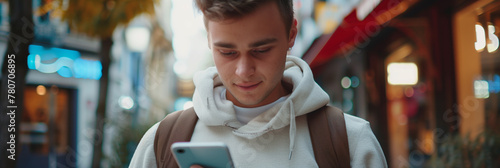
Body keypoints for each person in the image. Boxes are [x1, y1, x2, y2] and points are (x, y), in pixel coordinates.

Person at [129, 0, 387, 167]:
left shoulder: (351, 141)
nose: (244, 71)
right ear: (209, 40)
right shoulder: (162, 142)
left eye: (261, 50)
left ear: (291, 35)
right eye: (227, 52)